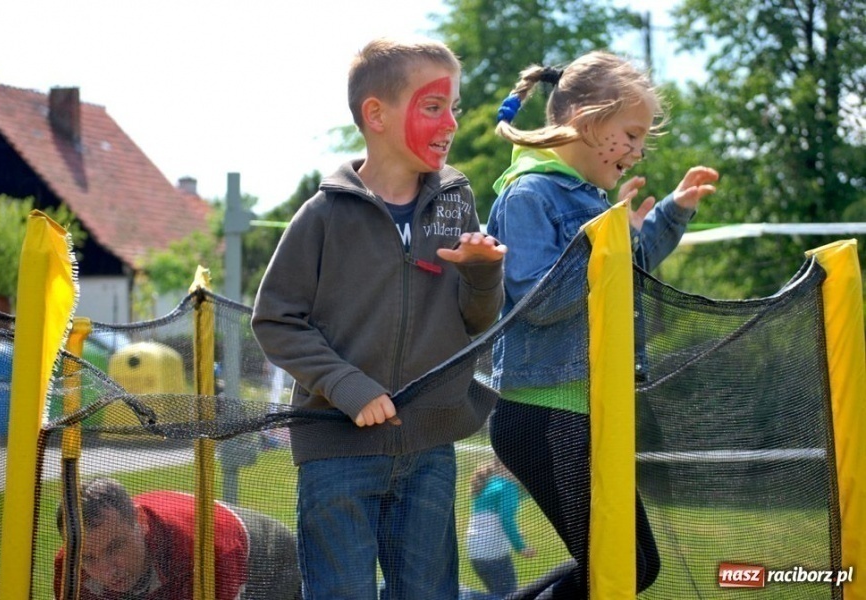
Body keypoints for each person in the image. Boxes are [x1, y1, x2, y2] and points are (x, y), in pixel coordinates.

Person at [250, 37, 506, 600]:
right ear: (376, 114)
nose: (451, 123)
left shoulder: (457, 204)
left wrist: (484, 274)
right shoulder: (323, 215)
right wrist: (348, 386)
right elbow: (276, 320)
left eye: (454, 107)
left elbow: (476, 323)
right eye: (434, 106)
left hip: (429, 449)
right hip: (337, 451)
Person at [485, 51, 719, 598]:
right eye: (631, 134)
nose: (637, 151)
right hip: (544, 412)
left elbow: (620, 277)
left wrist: (670, 215)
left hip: (588, 410)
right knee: (617, 570)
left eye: (642, 140)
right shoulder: (529, 194)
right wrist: (609, 244)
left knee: (634, 566)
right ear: (586, 121)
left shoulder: (589, 199)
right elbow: (539, 301)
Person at [53, 478, 301, 600]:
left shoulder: (205, 555)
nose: (108, 571)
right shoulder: (69, 571)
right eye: (88, 558)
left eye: (115, 547)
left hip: (269, 562)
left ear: (140, 521)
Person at [465, 459, 536, 598]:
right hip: (493, 555)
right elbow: (506, 519)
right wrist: (521, 546)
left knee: (498, 594)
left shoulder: (490, 484)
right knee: (509, 597)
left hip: (476, 553)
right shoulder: (508, 487)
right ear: (505, 466)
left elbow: (489, 519)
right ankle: (463, 595)